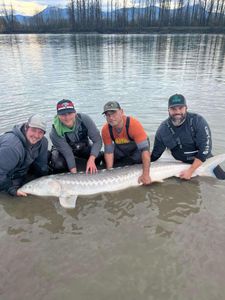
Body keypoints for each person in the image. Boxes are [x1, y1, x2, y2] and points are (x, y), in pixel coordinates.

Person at [151, 94, 225, 180]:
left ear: (186, 108)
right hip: (178, 163)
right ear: (168, 110)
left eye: (180, 108)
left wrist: (190, 170)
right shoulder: (163, 129)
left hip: (202, 159)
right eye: (173, 109)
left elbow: (205, 148)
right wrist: (139, 158)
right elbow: (155, 155)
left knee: (221, 180)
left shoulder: (197, 121)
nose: (177, 112)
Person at [101, 101, 151, 185]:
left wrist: (146, 175)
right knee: (105, 161)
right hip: (121, 149)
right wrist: (109, 172)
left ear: (121, 112)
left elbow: (144, 150)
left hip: (137, 149)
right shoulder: (106, 129)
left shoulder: (133, 124)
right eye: (108, 115)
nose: (111, 117)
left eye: (114, 113)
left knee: (138, 160)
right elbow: (109, 152)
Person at [0, 114, 49, 197]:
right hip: (6, 171)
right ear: (26, 128)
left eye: (40, 132)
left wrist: (46, 179)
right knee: (15, 194)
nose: (36, 136)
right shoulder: (12, 146)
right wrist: (12, 190)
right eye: (33, 130)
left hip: (22, 167)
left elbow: (42, 165)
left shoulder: (43, 141)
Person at [49, 99, 102, 174]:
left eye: (70, 113)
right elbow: (68, 154)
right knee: (59, 164)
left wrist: (91, 159)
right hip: (63, 151)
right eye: (63, 114)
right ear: (58, 116)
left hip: (82, 146)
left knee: (98, 155)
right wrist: (74, 174)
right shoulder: (55, 132)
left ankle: (93, 169)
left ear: (75, 113)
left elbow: (97, 141)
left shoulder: (85, 119)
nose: (67, 117)